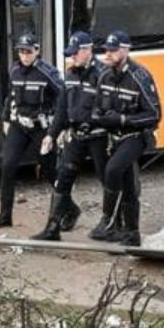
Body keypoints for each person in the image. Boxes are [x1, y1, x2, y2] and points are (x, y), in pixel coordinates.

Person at [32, 31, 107, 241]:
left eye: (75, 53)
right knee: (62, 178)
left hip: (98, 136)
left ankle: (111, 222)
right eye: (71, 54)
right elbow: (62, 108)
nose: (72, 57)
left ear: (87, 50)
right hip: (76, 136)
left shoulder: (102, 74)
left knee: (106, 178)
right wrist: (52, 134)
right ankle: (52, 227)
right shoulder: (71, 74)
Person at [90, 30, 161, 247]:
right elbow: (97, 108)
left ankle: (108, 219)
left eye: (113, 50)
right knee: (129, 185)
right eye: (107, 49)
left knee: (113, 170)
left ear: (126, 50)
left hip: (135, 136)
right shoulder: (104, 75)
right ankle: (131, 233)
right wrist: (99, 118)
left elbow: (154, 115)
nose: (108, 54)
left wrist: (122, 119)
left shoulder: (139, 76)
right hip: (114, 137)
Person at [0, 33, 64, 228]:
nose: (24, 55)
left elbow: (63, 99)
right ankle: (5, 215)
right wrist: (5, 118)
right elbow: (10, 97)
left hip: (41, 127)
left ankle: (67, 208)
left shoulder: (48, 73)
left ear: (37, 51)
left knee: (49, 169)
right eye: (21, 52)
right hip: (19, 125)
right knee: (8, 166)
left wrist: (56, 131)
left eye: (28, 52)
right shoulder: (14, 70)